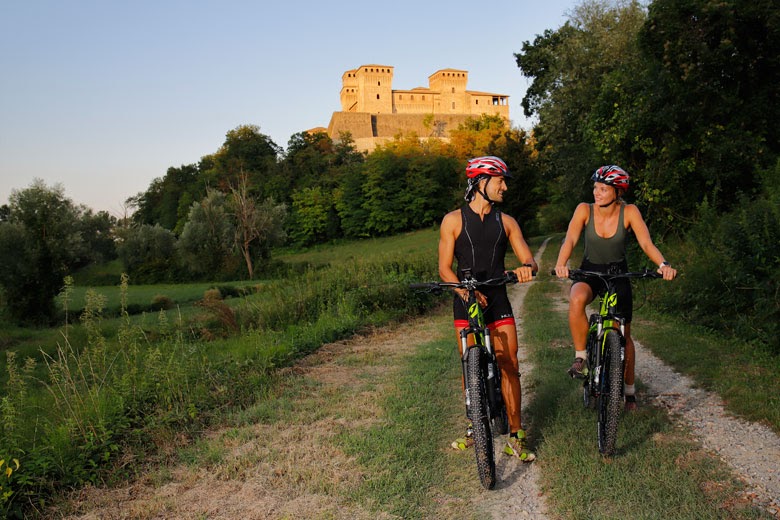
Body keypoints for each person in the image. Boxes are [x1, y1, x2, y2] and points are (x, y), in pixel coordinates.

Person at [553, 165, 677, 411]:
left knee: (624, 333)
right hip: (590, 271)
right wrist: (560, 263)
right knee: (577, 299)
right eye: (595, 187)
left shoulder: (629, 212)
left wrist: (663, 264)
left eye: (603, 188)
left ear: (617, 192)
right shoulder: (584, 210)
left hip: (618, 273)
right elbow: (570, 239)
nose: (596, 192)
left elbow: (646, 242)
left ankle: (629, 392)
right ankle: (582, 357)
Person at [438, 155, 537, 461]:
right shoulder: (453, 220)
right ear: (480, 183)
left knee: (510, 364)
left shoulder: (506, 222)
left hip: (497, 299)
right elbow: (444, 269)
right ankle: (474, 427)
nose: (504, 187)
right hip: (466, 300)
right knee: (470, 365)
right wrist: (466, 294)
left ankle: (517, 435)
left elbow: (529, 260)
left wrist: (525, 268)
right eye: (499, 181)